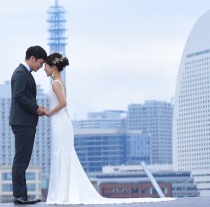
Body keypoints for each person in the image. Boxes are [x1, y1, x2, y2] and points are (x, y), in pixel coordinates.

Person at [43, 53, 174, 204]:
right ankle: (62, 192)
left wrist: (48, 112)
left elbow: (63, 103)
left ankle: (61, 194)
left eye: (46, 66)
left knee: (61, 156)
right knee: (62, 156)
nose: (44, 69)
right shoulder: (60, 82)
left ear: (53, 67)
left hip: (60, 124)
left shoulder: (55, 84)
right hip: (61, 123)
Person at [10, 45, 48, 204]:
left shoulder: (24, 73)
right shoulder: (20, 74)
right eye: (40, 62)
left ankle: (22, 195)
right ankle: (20, 196)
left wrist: (36, 108)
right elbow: (18, 96)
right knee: (21, 160)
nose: (41, 67)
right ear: (32, 58)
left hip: (24, 122)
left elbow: (23, 96)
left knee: (22, 160)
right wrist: (35, 108)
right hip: (22, 122)